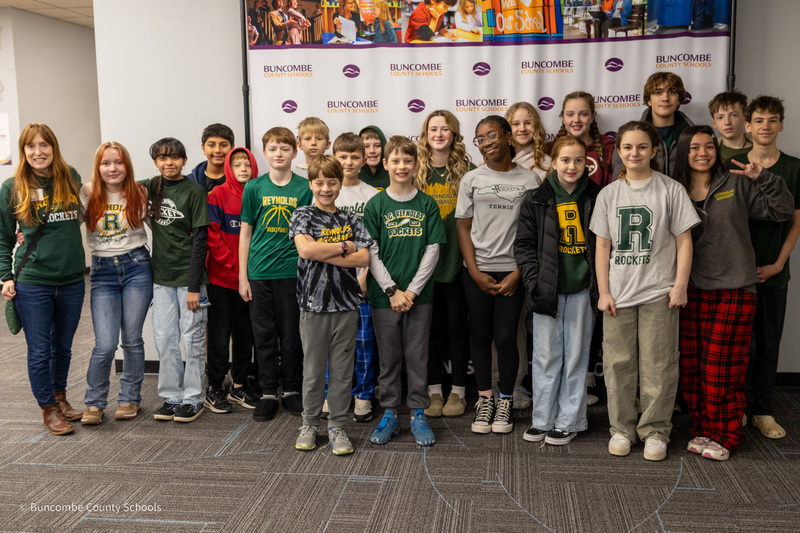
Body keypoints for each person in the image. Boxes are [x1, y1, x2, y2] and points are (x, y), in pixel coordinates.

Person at [673, 125, 793, 460]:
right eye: (694, 147)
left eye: (709, 146)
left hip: (735, 288)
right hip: (690, 290)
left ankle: (725, 434)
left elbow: (782, 211)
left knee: (721, 368)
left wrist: (763, 178)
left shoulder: (736, 182)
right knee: (693, 369)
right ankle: (703, 428)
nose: (702, 153)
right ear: (683, 152)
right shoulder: (673, 189)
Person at [590, 121, 699, 461]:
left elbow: (684, 241)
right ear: (619, 152)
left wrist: (680, 285)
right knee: (618, 366)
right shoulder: (608, 194)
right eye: (627, 147)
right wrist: (604, 292)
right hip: (618, 296)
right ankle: (622, 429)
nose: (634, 153)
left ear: (654, 151)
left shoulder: (671, 190)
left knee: (659, 366)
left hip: (659, 293)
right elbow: (602, 247)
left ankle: (655, 431)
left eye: (641, 147)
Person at [456, 116, 539, 434]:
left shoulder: (530, 180)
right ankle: (484, 399)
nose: (486, 142)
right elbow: (463, 226)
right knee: (480, 335)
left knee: (506, 337)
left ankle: (505, 400)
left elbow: (535, 231)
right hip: (477, 271)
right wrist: (475, 272)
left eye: (492, 135)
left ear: (507, 136)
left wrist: (519, 272)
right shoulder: (472, 179)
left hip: (513, 271)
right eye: (480, 138)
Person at [0, 123, 85, 435]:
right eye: (31, 146)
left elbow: (79, 216)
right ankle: (48, 408)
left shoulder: (70, 176)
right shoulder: (12, 187)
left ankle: (60, 398)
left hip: (73, 279)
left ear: (54, 147)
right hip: (34, 282)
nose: (39, 152)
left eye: (44, 145)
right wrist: (5, 277)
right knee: (39, 350)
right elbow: (3, 237)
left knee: (63, 346)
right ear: (23, 151)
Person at [515, 136, 600, 446]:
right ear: (553, 163)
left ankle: (569, 421)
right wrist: (534, 281)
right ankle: (542, 419)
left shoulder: (596, 196)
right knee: (546, 357)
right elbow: (523, 245)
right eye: (565, 160)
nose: (572, 166)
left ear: (586, 163)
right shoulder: (536, 197)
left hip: (583, 289)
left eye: (579, 160)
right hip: (547, 290)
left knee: (576, 357)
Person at [364, 136, 446, 446]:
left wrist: (410, 291)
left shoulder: (427, 203)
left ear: (415, 164)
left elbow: (433, 250)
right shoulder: (376, 204)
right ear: (385, 164)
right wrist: (391, 290)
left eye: (407, 161)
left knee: (417, 356)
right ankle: (389, 413)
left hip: (418, 297)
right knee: (389, 359)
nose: (402, 166)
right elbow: (371, 252)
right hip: (384, 297)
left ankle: (418, 413)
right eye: (395, 161)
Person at [290, 155, 372, 455]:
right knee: (313, 372)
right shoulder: (303, 214)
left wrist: (323, 250)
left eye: (332, 182)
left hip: (347, 305)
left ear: (340, 185)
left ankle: (337, 426)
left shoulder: (351, 219)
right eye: (319, 182)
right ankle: (310, 424)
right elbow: (306, 250)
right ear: (311, 184)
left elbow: (364, 257)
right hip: (313, 306)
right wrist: (343, 247)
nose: (326, 188)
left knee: (341, 371)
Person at [729, 96, 800, 441]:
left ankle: (763, 410)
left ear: (781, 125)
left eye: (772, 120)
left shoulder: (794, 167)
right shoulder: (731, 163)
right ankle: (740, 405)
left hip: (774, 271)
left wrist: (778, 264)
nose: (766, 126)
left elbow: (796, 222)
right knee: (741, 344)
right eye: (758, 120)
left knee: (769, 343)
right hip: (737, 273)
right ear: (748, 126)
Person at [239, 127, 313, 422]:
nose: (278, 154)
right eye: (272, 148)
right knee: (264, 334)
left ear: (295, 152)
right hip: (259, 272)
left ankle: (292, 389)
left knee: (292, 333)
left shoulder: (305, 187)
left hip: (293, 272)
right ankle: (269, 392)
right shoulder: (253, 188)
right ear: (264, 153)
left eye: (284, 148)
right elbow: (246, 233)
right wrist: (243, 277)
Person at [79, 142, 151, 426]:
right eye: (106, 163)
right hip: (103, 271)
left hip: (137, 268)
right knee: (105, 345)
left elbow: (162, 226)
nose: (113, 168)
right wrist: (25, 233)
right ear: (98, 167)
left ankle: (129, 399)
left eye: (118, 162)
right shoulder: (86, 193)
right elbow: (62, 223)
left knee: (132, 339)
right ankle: (94, 403)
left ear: (126, 165)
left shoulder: (140, 191)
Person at [144, 138, 210, 424]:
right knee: (164, 339)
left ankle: (194, 398)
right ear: (155, 162)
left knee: (192, 339)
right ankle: (172, 396)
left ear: (184, 160)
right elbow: (119, 187)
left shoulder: (194, 191)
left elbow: (201, 240)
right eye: (162, 158)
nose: (168, 162)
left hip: (189, 280)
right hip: (162, 278)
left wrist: (194, 287)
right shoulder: (151, 186)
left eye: (174, 157)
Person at [414, 110, 474, 418]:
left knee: (457, 329)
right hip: (424, 267)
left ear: (454, 134)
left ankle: (459, 392)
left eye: (445, 129)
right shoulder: (415, 170)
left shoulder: (469, 171)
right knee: (431, 331)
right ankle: (434, 390)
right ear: (425, 134)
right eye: (433, 129)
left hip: (458, 263)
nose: (439, 134)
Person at [204, 147, 260, 414]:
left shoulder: (258, 193)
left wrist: (247, 271)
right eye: (237, 165)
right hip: (222, 279)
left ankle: (238, 385)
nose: (243, 169)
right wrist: (236, 266)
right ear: (229, 168)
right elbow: (212, 236)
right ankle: (215, 386)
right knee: (218, 335)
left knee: (244, 334)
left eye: (247, 164)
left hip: (250, 280)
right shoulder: (218, 194)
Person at [333, 133, 379, 422]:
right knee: (333, 344)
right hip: (332, 284)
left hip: (362, 282)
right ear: (334, 158)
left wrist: (364, 277)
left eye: (354, 157)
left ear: (363, 160)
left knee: (363, 344)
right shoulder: (327, 191)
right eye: (343, 156)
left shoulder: (372, 195)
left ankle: (363, 395)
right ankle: (332, 394)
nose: (348, 162)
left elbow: (375, 244)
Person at [611, 72, 694, 179]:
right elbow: (619, 179)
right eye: (658, 92)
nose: (665, 98)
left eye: (672, 92)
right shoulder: (629, 136)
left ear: (679, 100)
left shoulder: (694, 135)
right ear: (648, 100)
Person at [552, 91, 615, 187]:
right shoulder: (550, 149)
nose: (576, 120)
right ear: (563, 118)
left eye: (583, 114)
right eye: (570, 114)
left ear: (592, 117)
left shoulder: (608, 148)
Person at [505, 101, 551, 182]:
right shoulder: (497, 158)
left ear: (537, 126)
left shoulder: (546, 162)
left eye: (528, 123)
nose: (522, 129)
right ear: (507, 128)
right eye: (516, 124)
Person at [188, 123, 234, 194]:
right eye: (211, 145)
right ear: (203, 149)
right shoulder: (189, 182)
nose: (217, 150)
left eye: (223, 145)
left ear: (232, 148)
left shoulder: (242, 179)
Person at [708, 90, 752, 163]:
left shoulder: (762, 149)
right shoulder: (709, 154)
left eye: (733, 115)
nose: (727, 122)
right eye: (720, 117)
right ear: (714, 123)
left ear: (745, 117)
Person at [359, 126, 390, 190]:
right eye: (366, 146)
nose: (372, 151)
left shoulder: (394, 176)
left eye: (377, 146)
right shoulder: (354, 177)